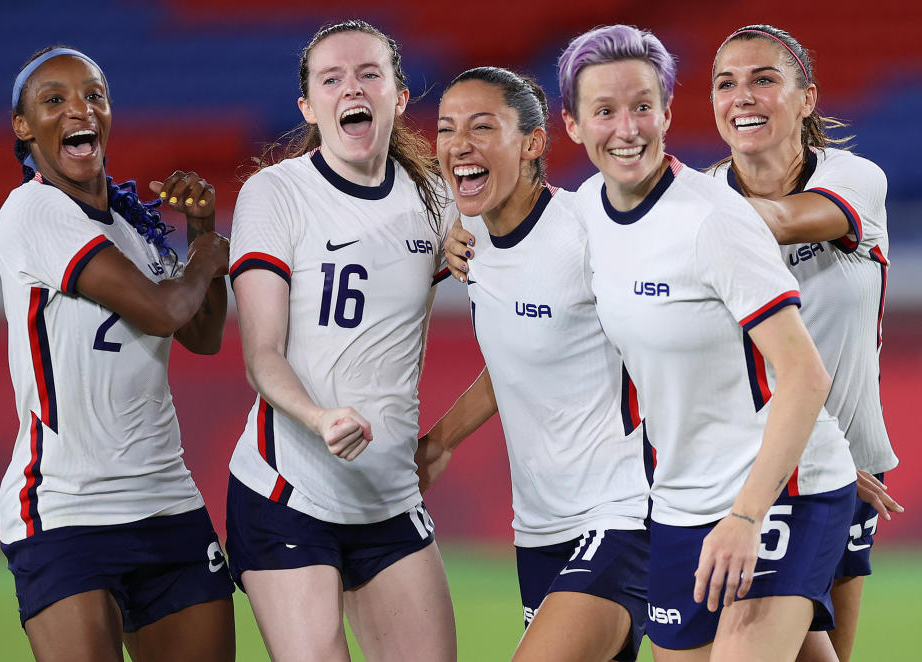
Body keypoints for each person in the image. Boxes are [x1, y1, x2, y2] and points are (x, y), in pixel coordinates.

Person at [557, 24, 856, 661]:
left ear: (667, 111)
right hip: (680, 502)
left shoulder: (716, 220)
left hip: (780, 492)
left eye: (642, 106)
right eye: (604, 111)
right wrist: (452, 246)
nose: (627, 128)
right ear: (573, 126)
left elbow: (805, 376)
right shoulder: (583, 211)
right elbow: (510, 235)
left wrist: (747, 517)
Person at [224, 20, 457, 662]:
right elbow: (261, 355)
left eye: (368, 74)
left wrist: (444, 439)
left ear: (399, 95)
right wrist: (319, 417)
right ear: (309, 106)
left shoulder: (437, 201)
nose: (351, 87)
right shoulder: (275, 193)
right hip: (287, 492)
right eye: (332, 79)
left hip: (388, 499)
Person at [0, 47, 234, 661]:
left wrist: (202, 232)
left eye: (94, 95)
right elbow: (160, 310)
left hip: (166, 499)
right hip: (67, 507)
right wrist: (209, 258)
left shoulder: (134, 231)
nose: (80, 108)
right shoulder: (33, 209)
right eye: (54, 100)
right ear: (23, 128)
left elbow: (202, 337)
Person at [422, 66, 651, 662]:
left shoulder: (587, 230)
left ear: (532, 142)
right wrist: (439, 443)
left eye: (482, 126)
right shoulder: (469, 234)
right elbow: (517, 356)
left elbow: (686, 339)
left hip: (625, 512)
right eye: (447, 129)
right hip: (539, 528)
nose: (459, 144)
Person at [708, 25, 902, 662]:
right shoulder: (696, 197)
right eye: (726, 83)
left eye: (764, 79)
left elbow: (788, 218)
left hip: (843, 473)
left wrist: (660, 203)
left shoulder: (854, 177)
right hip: (738, 478)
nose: (744, 95)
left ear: (807, 98)